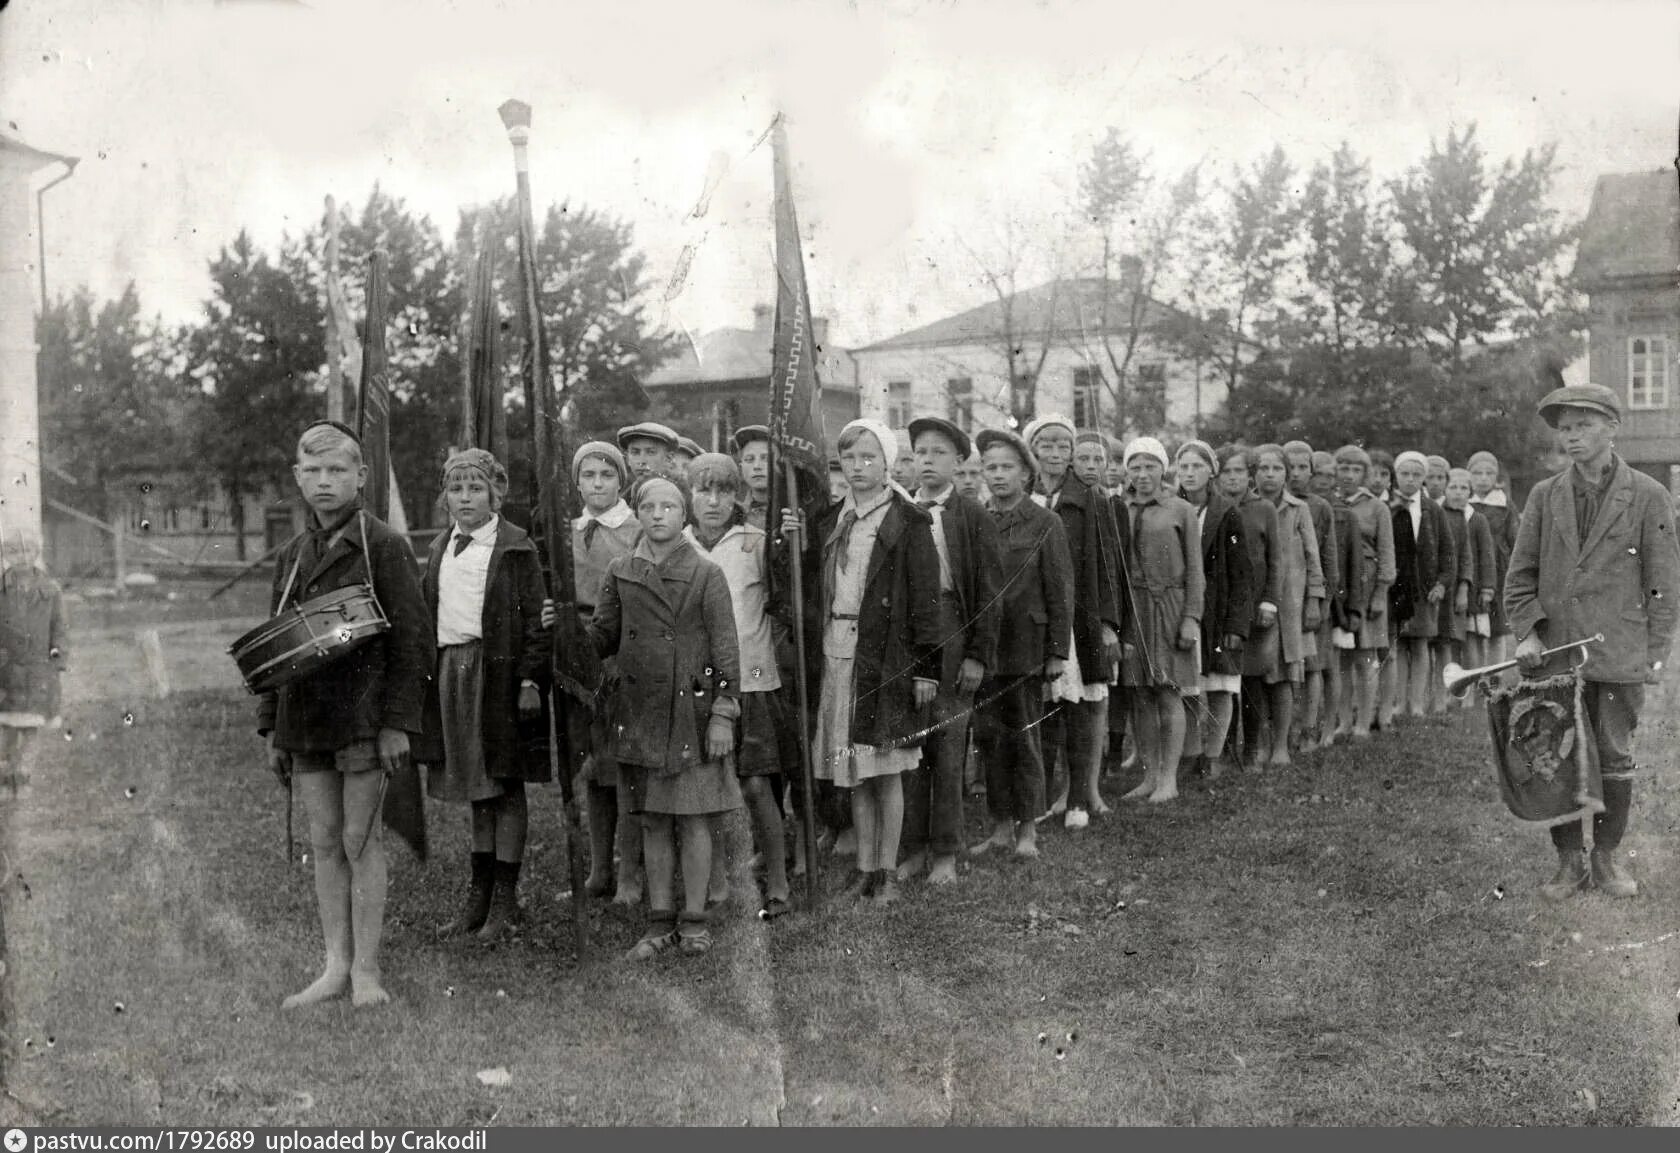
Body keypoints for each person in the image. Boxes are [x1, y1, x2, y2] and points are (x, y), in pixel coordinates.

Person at [260, 420, 430, 1009]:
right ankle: (334, 966)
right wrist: (270, 727)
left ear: (361, 477)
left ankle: (367, 972)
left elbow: (413, 643)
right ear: (298, 479)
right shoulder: (293, 553)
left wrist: (396, 724)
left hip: (364, 718)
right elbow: (275, 647)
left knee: (361, 840)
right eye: (314, 471)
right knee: (326, 840)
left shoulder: (384, 546)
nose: (325, 482)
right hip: (304, 718)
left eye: (338, 471)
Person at [1506, 384, 1679, 900]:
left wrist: (1654, 652)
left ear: (1612, 428)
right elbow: (1520, 577)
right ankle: (1568, 863)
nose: (1571, 437)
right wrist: (1529, 631)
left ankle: (1606, 859)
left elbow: (1664, 583)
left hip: (1618, 653)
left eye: (1582, 426)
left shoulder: (1649, 495)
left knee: (1614, 757)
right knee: (1551, 758)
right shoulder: (1543, 496)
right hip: (1553, 656)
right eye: (1564, 428)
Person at [589, 473, 743, 957]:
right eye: (650, 507)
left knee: (694, 819)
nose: (658, 515)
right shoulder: (620, 570)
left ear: (684, 516)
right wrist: (574, 640)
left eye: (669, 508)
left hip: (690, 716)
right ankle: (659, 920)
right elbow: (602, 637)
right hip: (640, 715)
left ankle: (693, 920)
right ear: (638, 512)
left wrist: (722, 712)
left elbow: (727, 651)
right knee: (654, 819)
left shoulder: (704, 573)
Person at [791, 420, 941, 904]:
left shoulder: (908, 521)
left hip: (887, 656)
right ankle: (864, 868)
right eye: (850, 459)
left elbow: (925, 600)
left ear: (888, 464)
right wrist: (791, 540)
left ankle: (888, 870)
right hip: (839, 650)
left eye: (869, 459)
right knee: (855, 767)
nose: (858, 468)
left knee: (886, 767)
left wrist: (926, 667)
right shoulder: (831, 518)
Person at [418, 449, 549, 940]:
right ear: (445, 497)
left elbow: (537, 623)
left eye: (476, 488)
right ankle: (479, 896)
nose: (466, 498)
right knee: (477, 786)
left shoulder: (516, 549)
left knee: (504, 782)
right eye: (456, 489)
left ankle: (506, 902)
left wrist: (530, 680)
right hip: (453, 672)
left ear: (496, 494)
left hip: (498, 678)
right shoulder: (438, 548)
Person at [685, 453, 794, 919]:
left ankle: (780, 883)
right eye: (704, 490)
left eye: (724, 491)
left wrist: (789, 547)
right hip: (695, 684)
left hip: (750, 678)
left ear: (738, 496)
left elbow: (785, 597)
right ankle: (715, 887)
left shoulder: (755, 542)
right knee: (702, 786)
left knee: (754, 784)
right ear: (688, 493)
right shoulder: (677, 543)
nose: (713, 501)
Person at [899, 416, 1003, 884]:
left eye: (939, 452)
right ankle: (913, 846)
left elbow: (989, 591)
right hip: (907, 639)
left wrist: (977, 653)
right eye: (920, 452)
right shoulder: (899, 511)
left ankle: (945, 851)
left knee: (947, 743)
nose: (927, 460)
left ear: (959, 462)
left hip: (953, 631)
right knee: (910, 746)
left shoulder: (971, 515)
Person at [968, 428, 1072, 859]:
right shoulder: (976, 520)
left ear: (1026, 473)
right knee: (991, 739)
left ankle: (1027, 830)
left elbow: (1060, 590)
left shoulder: (1046, 522)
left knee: (1025, 740)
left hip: (1027, 649)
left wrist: (1055, 652)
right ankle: (998, 827)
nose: (997, 475)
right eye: (990, 467)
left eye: (1007, 467)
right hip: (986, 653)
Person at [1026, 416, 1122, 826]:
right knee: (1043, 708)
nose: (1054, 452)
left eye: (1062, 446)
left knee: (1079, 703)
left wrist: (1106, 622)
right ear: (1032, 450)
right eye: (1045, 444)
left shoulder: (1090, 499)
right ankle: (1047, 796)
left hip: (1077, 616)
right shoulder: (1022, 496)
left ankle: (1079, 798)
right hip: (1034, 616)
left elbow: (1107, 565)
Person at [570, 440, 645, 906]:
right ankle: (599, 870)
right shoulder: (569, 531)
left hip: (621, 654)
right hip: (580, 659)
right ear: (577, 482)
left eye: (607, 476)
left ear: (621, 482)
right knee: (593, 769)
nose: (598, 484)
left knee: (624, 769)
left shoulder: (635, 530)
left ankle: (631, 874)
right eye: (589, 476)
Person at [1116, 437, 1204, 803]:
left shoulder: (1180, 509)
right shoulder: (1119, 507)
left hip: (1170, 604)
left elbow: (1196, 571)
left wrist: (1191, 618)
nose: (1142, 474)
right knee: (1138, 694)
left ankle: (1169, 778)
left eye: (1150, 466)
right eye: (1135, 467)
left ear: (1163, 468)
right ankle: (1150, 775)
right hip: (1133, 606)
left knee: (1168, 692)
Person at [1174, 441, 1251, 781]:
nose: (1189, 474)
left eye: (1197, 467)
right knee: (1187, 686)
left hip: (1218, 611)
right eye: (1184, 467)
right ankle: (1189, 753)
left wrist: (1236, 623)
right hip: (1182, 608)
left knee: (1220, 684)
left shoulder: (1226, 512)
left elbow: (1241, 573)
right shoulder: (1171, 506)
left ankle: (1213, 755)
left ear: (1211, 471)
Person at [1254, 444, 1324, 767]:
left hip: (1289, 607)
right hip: (1256, 603)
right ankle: (1259, 743)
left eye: (1277, 469)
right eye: (1264, 468)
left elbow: (1313, 558)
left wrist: (1313, 600)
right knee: (1256, 675)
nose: (1270, 475)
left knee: (1283, 676)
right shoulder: (1247, 506)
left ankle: (1280, 744)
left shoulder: (1298, 509)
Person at [1217, 445, 1282, 773]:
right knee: (1225, 680)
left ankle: (1253, 747)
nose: (1232, 478)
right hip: (1223, 608)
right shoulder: (1214, 507)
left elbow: (1274, 560)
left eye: (1239, 471)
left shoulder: (1264, 509)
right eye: (1226, 471)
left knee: (1252, 680)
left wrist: (1269, 601)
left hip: (1256, 606)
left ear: (1250, 475)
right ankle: (1225, 748)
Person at [1331, 445, 1395, 740]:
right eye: (1344, 468)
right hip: (1339, 585)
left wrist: (1381, 592)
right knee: (1341, 658)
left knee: (1365, 656)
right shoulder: (1330, 503)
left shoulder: (1377, 507)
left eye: (1356, 470)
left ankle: (1364, 720)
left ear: (1366, 474)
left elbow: (1386, 554)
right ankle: (1344, 719)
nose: (1349, 475)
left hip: (1368, 586)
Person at [1387, 450, 1455, 723]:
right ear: (1396, 475)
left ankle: (1416, 703)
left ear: (1424, 478)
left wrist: (1441, 583)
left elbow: (1447, 552)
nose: (1410, 480)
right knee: (1400, 645)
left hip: (1424, 588)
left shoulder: (1432, 510)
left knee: (1420, 644)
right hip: (1397, 586)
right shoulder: (1388, 506)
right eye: (1405, 474)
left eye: (1417, 475)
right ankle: (1399, 702)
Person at [0, 532, 67, 792]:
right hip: (6, 670)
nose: (22, 558)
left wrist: (58, 658)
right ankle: (5, 772)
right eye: (15, 552)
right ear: (5, 556)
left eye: (27, 551)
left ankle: (25, 773)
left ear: (36, 554)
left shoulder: (50, 590)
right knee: (6, 726)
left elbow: (59, 627)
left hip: (39, 669)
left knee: (32, 726)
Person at [1285, 441, 1339, 748]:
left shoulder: (1320, 507)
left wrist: (1321, 602)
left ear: (1312, 470)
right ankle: (1284, 730)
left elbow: (1328, 561)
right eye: (1289, 467)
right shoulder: (1271, 504)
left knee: (1315, 665)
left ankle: (1308, 728)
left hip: (1311, 600)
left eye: (1303, 467)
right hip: (1283, 598)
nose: (1296, 474)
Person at [1439, 467, 1496, 709]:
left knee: (1472, 641)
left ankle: (1473, 693)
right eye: (1453, 487)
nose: (1459, 493)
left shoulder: (1477, 518)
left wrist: (1487, 588)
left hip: (1472, 591)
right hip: (1449, 590)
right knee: (1451, 642)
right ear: (1445, 489)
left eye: (1464, 488)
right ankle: (1453, 689)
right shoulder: (1441, 515)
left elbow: (1486, 556)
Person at [1467, 450, 1518, 663]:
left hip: (1498, 570)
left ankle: (1496, 679)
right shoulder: (1463, 501)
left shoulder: (1504, 504)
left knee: (1497, 631)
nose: (1483, 478)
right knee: (1474, 629)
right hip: (1473, 568)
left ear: (1496, 477)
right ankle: (1476, 676)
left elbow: (1515, 540)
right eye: (1477, 473)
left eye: (1489, 473)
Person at [734, 425, 774, 530]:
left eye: (765, 458)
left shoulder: (791, 512)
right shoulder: (734, 516)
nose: (757, 466)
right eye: (749, 459)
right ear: (741, 467)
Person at [616, 421, 680, 483]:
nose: (641, 461)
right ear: (627, 459)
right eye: (635, 452)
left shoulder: (672, 491)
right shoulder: (628, 492)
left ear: (669, 459)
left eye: (651, 452)